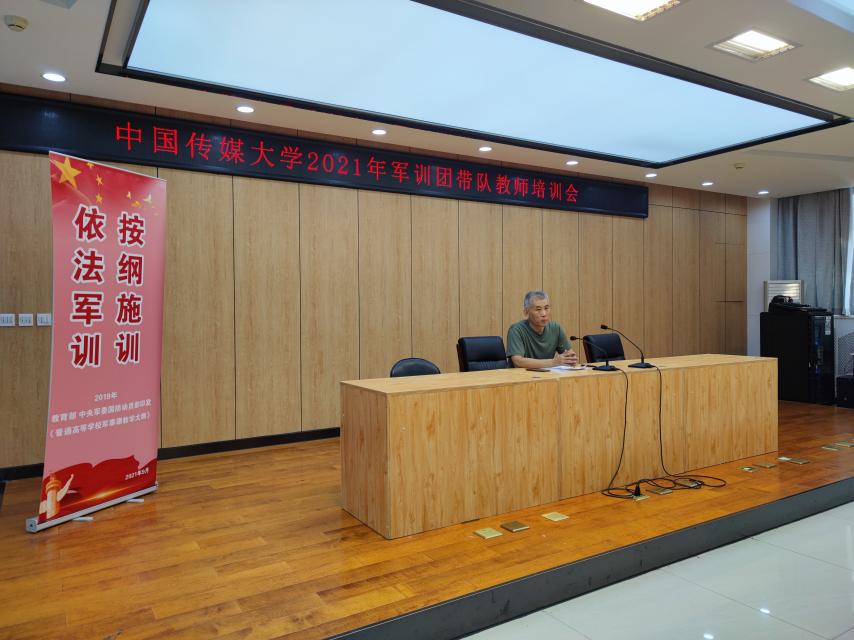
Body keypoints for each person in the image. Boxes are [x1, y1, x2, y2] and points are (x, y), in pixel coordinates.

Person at [507, 290, 579, 369]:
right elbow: (518, 362)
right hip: (521, 375)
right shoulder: (516, 330)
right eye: (538, 309)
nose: (544, 314)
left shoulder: (556, 328)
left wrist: (570, 359)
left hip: (547, 375)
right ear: (526, 312)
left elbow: (569, 354)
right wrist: (554, 362)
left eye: (546, 308)